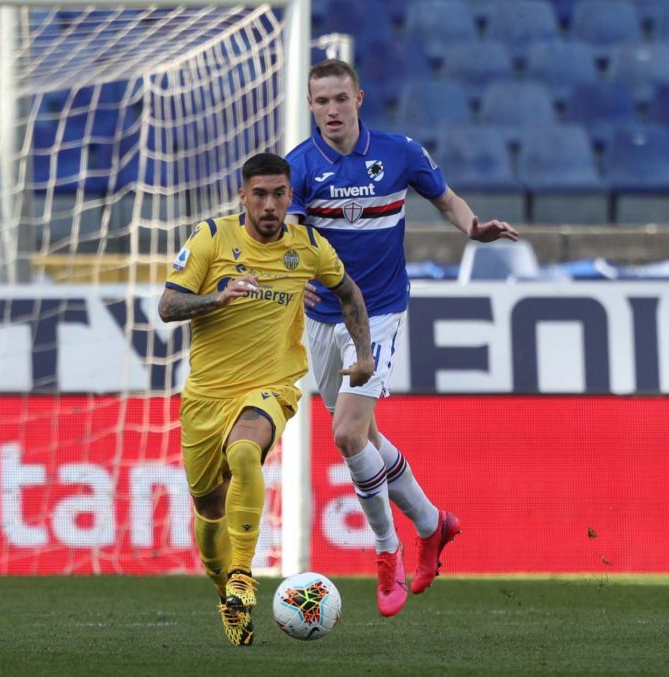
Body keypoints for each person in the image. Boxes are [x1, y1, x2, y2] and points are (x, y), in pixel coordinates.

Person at [285, 59, 519, 617]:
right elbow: (290, 239)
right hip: (323, 317)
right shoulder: (299, 166)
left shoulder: (399, 153)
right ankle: (433, 524)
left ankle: (386, 550)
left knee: (347, 434)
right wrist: (292, 279)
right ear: (311, 105)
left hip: (380, 313)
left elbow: (446, 199)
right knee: (364, 438)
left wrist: (473, 228)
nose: (332, 110)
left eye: (341, 98)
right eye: (322, 101)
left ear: (359, 98)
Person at [159, 152, 375, 647]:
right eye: (260, 194)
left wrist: (364, 356)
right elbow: (168, 305)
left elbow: (349, 293)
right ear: (243, 196)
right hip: (206, 395)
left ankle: (242, 574)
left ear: (290, 196)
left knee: (244, 452)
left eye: (279, 194)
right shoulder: (210, 238)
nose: (270, 205)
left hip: (271, 385)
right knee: (208, 508)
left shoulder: (309, 247)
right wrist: (218, 297)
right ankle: (227, 596)